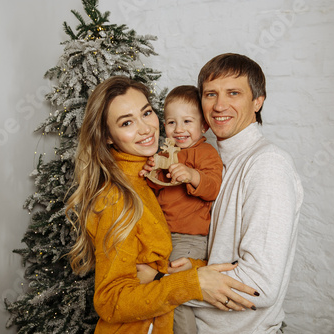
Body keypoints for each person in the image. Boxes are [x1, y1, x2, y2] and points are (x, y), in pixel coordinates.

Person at [65, 76, 259, 334]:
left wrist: (195, 269)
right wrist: (189, 283)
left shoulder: (152, 173)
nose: (145, 128)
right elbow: (110, 301)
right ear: (107, 136)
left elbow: (166, 258)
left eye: (146, 113)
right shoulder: (115, 197)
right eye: (127, 122)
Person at [183, 53, 304, 333]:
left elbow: (259, 284)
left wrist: (165, 284)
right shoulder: (211, 162)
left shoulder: (267, 165)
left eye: (233, 93)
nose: (219, 105)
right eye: (210, 94)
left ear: (258, 101)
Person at [140, 85, 223, 334]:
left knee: (175, 290)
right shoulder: (165, 153)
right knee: (157, 290)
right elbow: (154, 193)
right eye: (171, 122)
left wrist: (192, 175)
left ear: (204, 126)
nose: (179, 129)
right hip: (164, 235)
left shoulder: (205, 153)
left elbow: (212, 187)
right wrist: (148, 174)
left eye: (187, 121)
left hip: (189, 238)